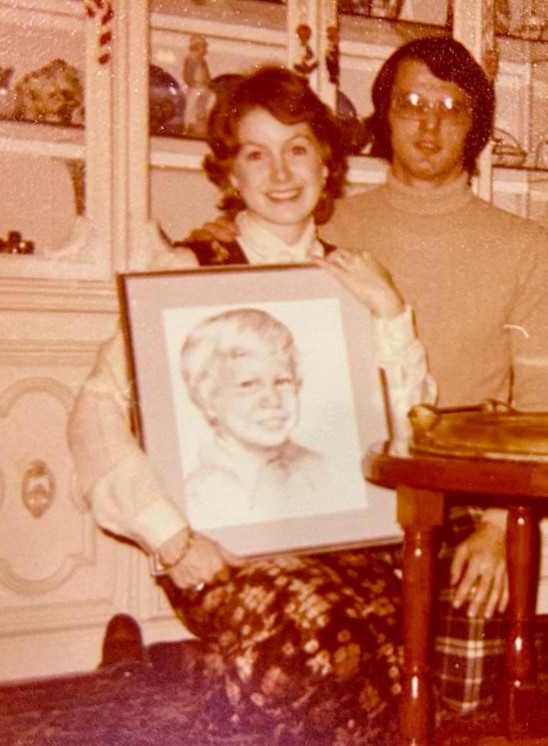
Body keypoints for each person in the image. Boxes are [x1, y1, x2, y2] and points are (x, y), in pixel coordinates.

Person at [68, 65, 434, 744]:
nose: (281, 173)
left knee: (389, 632)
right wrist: (171, 538)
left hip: (338, 537)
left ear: (326, 165)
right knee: (308, 635)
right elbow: (95, 409)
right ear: (230, 173)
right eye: (256, 154)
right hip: (215, 547)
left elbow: (409, 432)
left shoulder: (353, 280)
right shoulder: (187, 271)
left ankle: (205, 693)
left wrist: (391, 313)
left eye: (297, 148)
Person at [197, 38, 548, 714]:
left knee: (459, 699)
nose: (430, 124)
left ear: (476, 124)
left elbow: (540, 401)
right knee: (337, 665)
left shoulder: (528, 245)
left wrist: (499, 528)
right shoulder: (327, 224)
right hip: (344, 485)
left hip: (466, 497)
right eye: (411, 103)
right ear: (383, 114)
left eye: (452, 107)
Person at [180, 307, 332, 530]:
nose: (272, 399)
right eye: (248, 384)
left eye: (282, 381)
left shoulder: (324, 471)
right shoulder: (197, 496)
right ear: (208, 400)